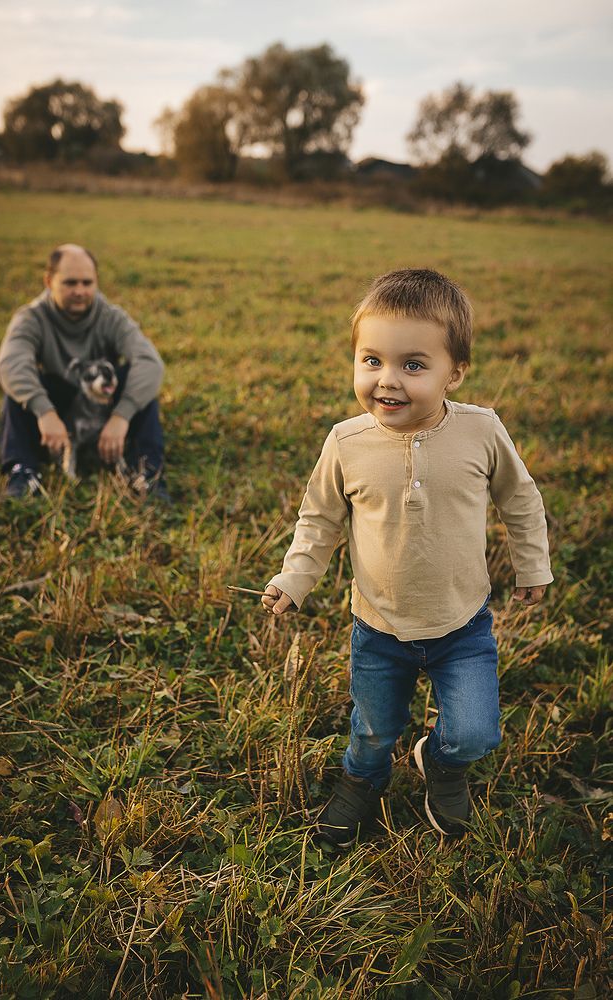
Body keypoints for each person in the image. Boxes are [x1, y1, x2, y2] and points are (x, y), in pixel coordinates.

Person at [261, 268, 553, 848]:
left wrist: (532, 564)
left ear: (455, 373)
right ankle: (362, 782)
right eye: (371, 361)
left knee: (474, 732)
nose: (387, 381)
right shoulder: (346, 442)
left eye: (413, 366)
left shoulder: (481, 431)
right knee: (371, 730)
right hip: (379, 625)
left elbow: (520, 499)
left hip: (462, 624)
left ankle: (441, 763)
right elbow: (318, 521)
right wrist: (295, 578)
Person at [0, 243, 169, 500]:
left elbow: (150, 362)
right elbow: (10, 363)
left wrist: (122, 416)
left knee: (141, 385)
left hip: (104, 405)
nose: (80, 291)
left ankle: (148, 474)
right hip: (59, 402)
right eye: (70, 283)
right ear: (48, 280)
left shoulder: (111, 317)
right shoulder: (31, 318)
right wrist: (45, 412)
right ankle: (23, 472)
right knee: (17, 394)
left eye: (87, 283)